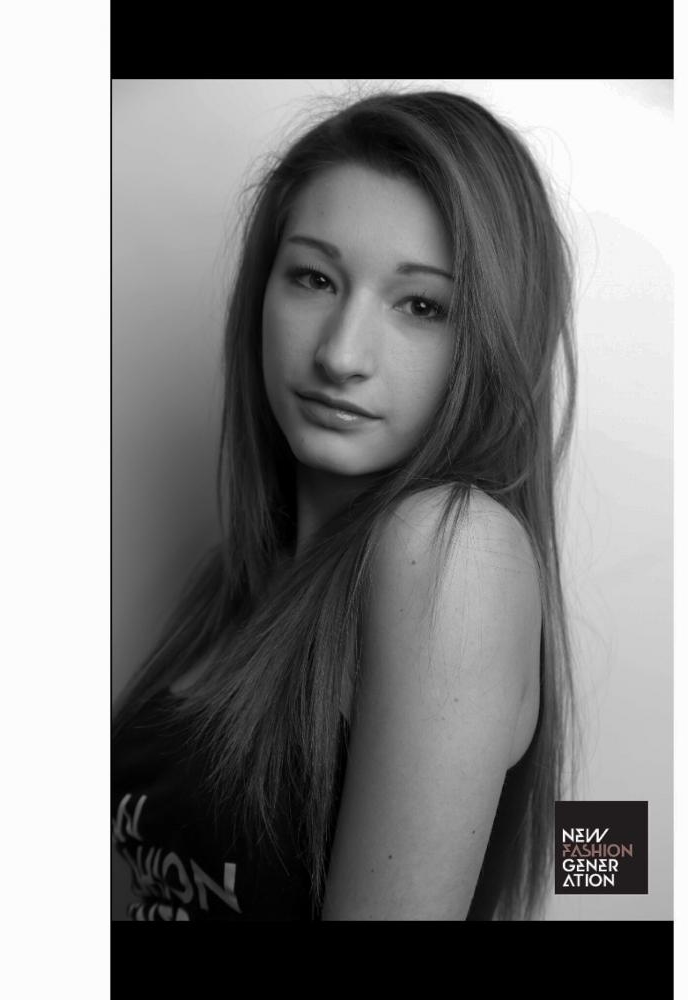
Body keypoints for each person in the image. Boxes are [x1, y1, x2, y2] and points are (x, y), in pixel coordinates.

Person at [112, 88, 579, 921]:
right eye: (315, 278)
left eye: (422, 305)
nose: (340, 354)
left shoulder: (452, 550)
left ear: (491, 337)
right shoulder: (229, 584)